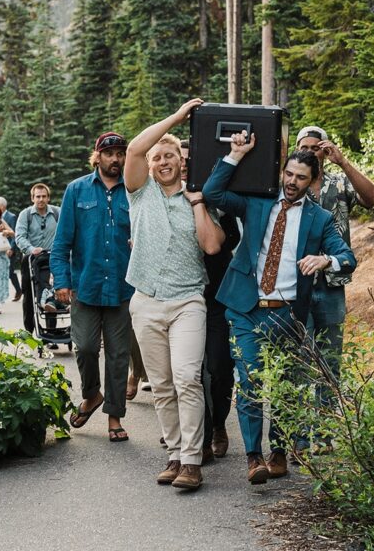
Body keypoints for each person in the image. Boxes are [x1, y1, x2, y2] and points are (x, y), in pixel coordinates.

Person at [202, 136, 356, 485]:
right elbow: (213, 194)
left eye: (300, 178)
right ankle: (253, 456)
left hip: (287, 313)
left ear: (311, 179)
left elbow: (347, 258)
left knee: (286, 383)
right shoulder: (258, 201)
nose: (291, 182)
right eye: (288, 174)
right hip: (246, 307)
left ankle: (280, 450)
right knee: (251, 380)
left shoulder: (319, 219)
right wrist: (235, 155)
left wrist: (325, 259)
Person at [125, 99, 225, 491]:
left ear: (182, 163)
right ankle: (173, 453)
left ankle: (192, 461)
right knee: (162, 384)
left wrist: (198, 203)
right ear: (150, 166)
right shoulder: (140, 194)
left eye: (171, 156)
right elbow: (134, 148)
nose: (164, 161)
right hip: (146, 300)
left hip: (187, 301)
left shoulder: (196, 197)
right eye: (158, 157)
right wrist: (178, 117)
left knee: (187, 378)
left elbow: (213, 247)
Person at [296, 127, 374, 443]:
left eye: (316, 147)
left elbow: (372, 199)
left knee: (330, 361)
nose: (310, 152)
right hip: (298, 285)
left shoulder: (339, 183)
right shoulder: (290, 184)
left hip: (332, 283)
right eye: (304, 146)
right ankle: (301, 437)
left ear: (324, 150)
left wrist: (344, 162)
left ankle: (327, 433)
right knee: (301, 358)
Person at [51, 132, 134, 442]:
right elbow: (62, 243)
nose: (115, 158)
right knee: (85, 347)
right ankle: (91, 394)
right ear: (97, 156)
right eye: (109, 153)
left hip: (124, 288)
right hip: (86, 286)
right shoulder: (76, 191)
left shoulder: (134, 191)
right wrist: (62, 281)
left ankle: (115, 416)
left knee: (118, 355)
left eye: (120, 153)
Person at [180, 139, 240, 462]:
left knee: (219, 365)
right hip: (184, 294)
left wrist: (202, 205)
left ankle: (219, 424)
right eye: (182, 160)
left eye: (191, 160)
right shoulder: (168, 197)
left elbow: (229, 239)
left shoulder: (215, 195)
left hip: (217, 294)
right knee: (190, 370)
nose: (185, 165)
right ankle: (198, 436)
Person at [15, 183, 61, 337]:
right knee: (28, 294)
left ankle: (51, 331)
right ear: (32, 198)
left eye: (43, 196)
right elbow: (19, 236)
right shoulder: (26, 215)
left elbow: (65, 232)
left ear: (48, 198)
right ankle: (28, 331)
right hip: (31, 259)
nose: (40, 199)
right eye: (37, 196)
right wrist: (30, 249)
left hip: (52, 257)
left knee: (50, 288)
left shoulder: (57, 213)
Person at [0, 196, 23, 302]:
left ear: (1, 206)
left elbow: (15, 233)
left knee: (10, 272)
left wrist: (12, 249)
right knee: (4, 271)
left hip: (10, 249)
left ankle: (19, 290)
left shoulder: (11, 217)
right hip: (0, 248)